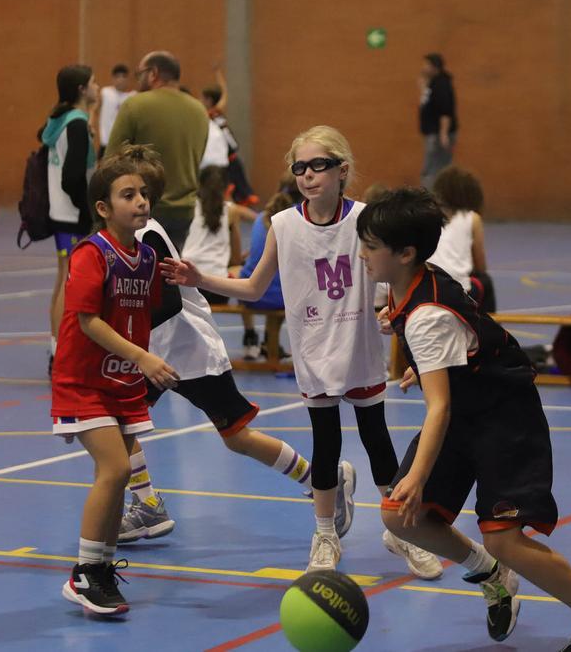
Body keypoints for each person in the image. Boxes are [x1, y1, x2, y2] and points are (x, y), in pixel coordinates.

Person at [360, 187, 571, 650]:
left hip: (505, 419)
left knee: (505, 540)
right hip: (466, 412)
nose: (363, 254)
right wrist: (429, 362)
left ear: (406, 253)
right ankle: (490, 575)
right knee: (399, 517)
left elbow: (440, 407)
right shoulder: (408, 285)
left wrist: (418, 473)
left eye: (371, 246)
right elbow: (468, 341)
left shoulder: (428, 314)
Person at [162, 125, 441, 579]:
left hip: (360, 346)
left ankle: (399, 531)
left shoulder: (367, 220)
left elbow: (396, 278)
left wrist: (397, 315)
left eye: (318, 165)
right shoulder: (284, 225)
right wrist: (202, 280)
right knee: (326, 444)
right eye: (300, 168)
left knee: (378, 442)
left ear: (341, 170)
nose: (308, 175)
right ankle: (325, 532)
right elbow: (254, 286)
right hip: (314, 348)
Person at [117, 210, 350, 543]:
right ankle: (146, 503)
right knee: (122, 421)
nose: (135, 203)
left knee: (237, 437)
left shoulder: (147, 237)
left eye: (138, 195)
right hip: (157, 353)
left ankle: (323, 481)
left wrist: (120, 336)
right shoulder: (120, 241)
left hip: (190, 353)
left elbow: (168, 304)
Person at [54, 144, 182, 616]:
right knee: (115, 469)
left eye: (144, 193)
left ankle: (102, 569)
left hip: (122, 382)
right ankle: (85, 573)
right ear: (104, 208)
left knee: (118, 472)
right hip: (83, 380)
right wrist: (143, 358)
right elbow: (88, 320)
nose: (141, 201)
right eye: (128, 194)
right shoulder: (91, 254)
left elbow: (145, 313)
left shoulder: (145, 259)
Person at [106, 51, 209, 251]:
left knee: (136, 275)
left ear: (153, 73)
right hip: (185, 211)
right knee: (170, 272)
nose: (137, 81)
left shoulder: (134, 105)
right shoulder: (199, 110)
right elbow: (197, 156)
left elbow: (111, 161)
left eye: (139, 74)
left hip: (142, 208)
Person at [43, 65, 100, 375]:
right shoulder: (76, 124)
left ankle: (56, 348)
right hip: (72, 214)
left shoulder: (59, 119)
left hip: (59, 213)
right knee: (68, 281)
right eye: (93, 82)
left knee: (62, 279)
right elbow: (72, 178)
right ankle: (61, 354)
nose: (97, 86)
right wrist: (88, 210)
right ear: (81, 89)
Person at [181, 165, 252, 306]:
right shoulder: (231, 211)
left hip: (187, 282)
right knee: (245, 272)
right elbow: (236, 260)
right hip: (217, 288)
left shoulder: (189, 208)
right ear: (227, 188)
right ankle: (249, 327)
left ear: (199, 185)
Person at [428, 165, 495, 312]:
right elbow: (480, 266)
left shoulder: (428, 215)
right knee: (485, 282)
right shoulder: (472, 218)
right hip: (459, 292)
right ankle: (490, 328)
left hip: (427, 289)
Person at [238, 186, 294, 360]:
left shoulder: (259, 219)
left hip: (250, 295)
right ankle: (271, 341)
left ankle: (250, 334)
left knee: (241, 274)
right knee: (287, 286)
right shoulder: (291, 224)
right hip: (278, 297)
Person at [200, 67, 258, 207]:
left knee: (230, 198)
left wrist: (219, 76)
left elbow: (224, 95)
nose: (200, 100)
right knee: (229, 198)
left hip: (229, 163)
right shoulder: (215, 113)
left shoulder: (210, 114)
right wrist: (219, 76)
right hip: (229, 161)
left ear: (208, 100)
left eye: (202, 98)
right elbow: (225, 94)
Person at [418, 53, 457, 189]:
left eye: (426, 65)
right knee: (433, 167)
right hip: (433, 133)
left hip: (437, 135)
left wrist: (443, 133)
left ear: (435, 67)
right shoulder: (434, 82)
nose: (423, 68)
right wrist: (423, 87)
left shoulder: (442, 85)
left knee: (434, 169)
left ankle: (431, 198)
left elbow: (445, 111)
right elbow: (426, 102)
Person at [92, 64, 136, 159]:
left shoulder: (133, 96)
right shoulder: (105, 92)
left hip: (124, 145)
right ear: (113, 79)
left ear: (128, 79)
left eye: (123, 77)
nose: (120, 80)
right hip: (106, 142)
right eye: (117, 77)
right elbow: (94, 109)